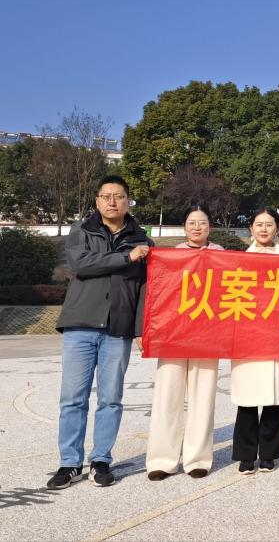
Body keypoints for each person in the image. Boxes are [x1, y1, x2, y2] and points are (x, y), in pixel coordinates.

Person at [46, 175, 153, 489]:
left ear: (128, 201)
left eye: (118, 196)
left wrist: (140, 329)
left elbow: (145, 289)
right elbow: (81, 264)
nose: (112, 202)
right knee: (72, 398)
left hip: (118, 329)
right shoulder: (82, 230)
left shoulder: (142, 239)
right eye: (106, 196)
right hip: (80, 324)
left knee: (111, 399)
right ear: (97, 201)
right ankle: (69, 463)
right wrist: (126, 257)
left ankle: (101, 460)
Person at [141, 204, 223, 481]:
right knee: (167, 395)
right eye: (191, 222)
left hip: (208, 335)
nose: (197, 227)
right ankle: (162, 459)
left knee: (203, 396)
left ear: (210, 227)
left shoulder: (221, 255)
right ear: (184, 227)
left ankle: (197, 458)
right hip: (173, 334)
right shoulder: (170, 256)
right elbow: (156, 293)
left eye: (202, 222)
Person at [230, 207, 279, 475]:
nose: (264, 229)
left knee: (272, 398)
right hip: (247, 337)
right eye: (259, 224)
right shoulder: (238, 260)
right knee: (247, 399)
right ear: (251, 229)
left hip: (277, 336)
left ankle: (268, 454)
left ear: (277, 228)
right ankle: (246, 455)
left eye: (269, 224)